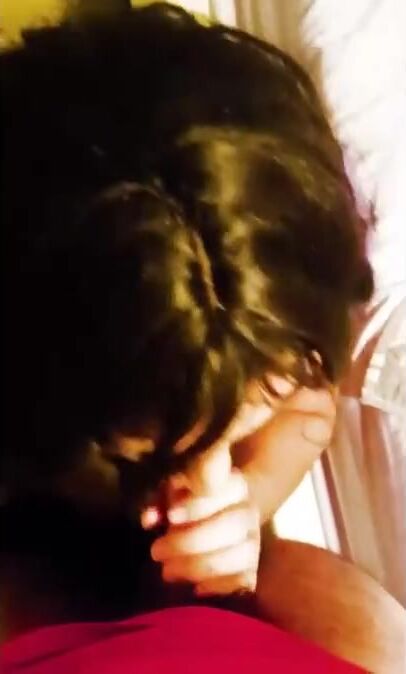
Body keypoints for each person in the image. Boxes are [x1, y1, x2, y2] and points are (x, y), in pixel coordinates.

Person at [1, 3, 372, 671]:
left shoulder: (276, 309)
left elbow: (308, 409)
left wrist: (248, 499)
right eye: (151, 456)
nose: (206, 485)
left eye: (239, 430)